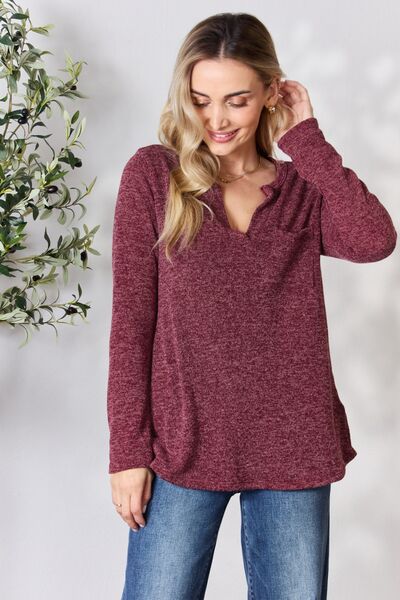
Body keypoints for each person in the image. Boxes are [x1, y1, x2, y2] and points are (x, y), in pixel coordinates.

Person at [106, 12, 397, 600]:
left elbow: (375, 240)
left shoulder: (301, 189)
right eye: (200, 101)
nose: (216, 120)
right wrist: (126, 451)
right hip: (182, 446)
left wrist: (307, 140)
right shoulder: (154, 177)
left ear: (270, 93)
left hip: (294, 445)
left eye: (236, 101)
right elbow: (131, 324)